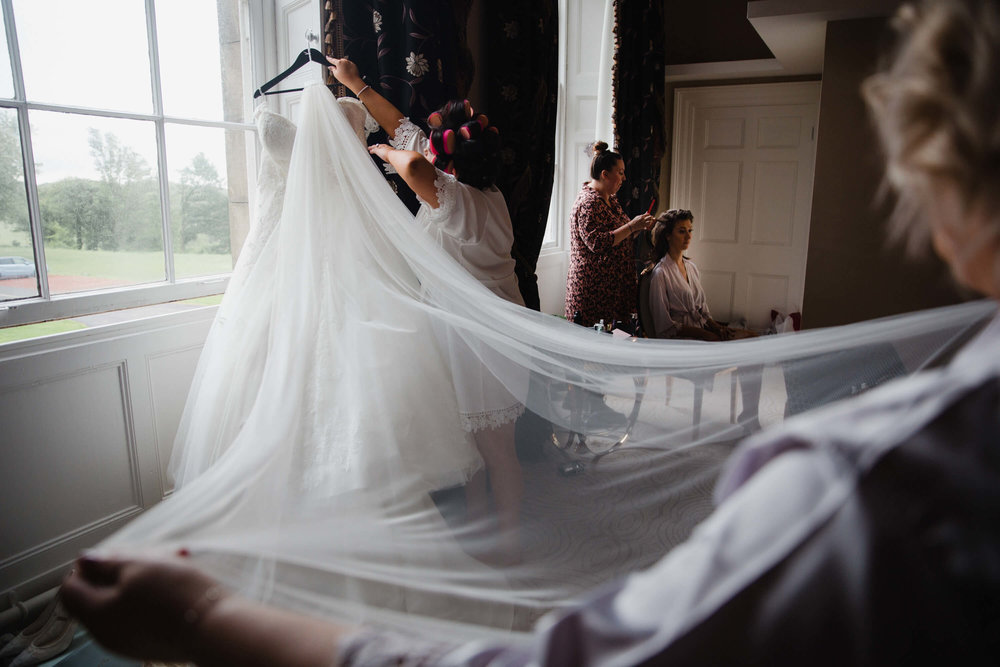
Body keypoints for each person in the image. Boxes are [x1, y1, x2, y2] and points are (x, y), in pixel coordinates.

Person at [60, 0, 1000, 664]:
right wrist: (363, 100)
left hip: (463, 332)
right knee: (494, 447)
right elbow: (413, 150)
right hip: (487, 321)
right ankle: (502, 530)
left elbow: (408, 154)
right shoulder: (495, 196)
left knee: (481, 449)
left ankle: (497, 537)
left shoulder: (444, 193)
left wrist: (359, 99)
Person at [327, 56, 528, 562]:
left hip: (487, 342)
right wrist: (356, 83)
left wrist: (384, 152)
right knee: (473, 449)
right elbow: (409, 131)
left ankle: (508, 540)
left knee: (496, 450)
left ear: (451, 164)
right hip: (464, 335)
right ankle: (481, 525)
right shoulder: (478, 189)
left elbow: (414, 161)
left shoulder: (466, 204)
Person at [648, 208, 762, 429]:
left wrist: (716, 327)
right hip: (679, 341)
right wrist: (704, 334)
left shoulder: (691, 267)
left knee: (754, 341)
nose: (689, 236)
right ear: (668, 235)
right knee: (733, 346)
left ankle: (749, 416)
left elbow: (702, 310)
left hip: (702, 331)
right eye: (682, 231)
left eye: (690, 231)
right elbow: (664, 326)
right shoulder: (660, 274)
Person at [564, 142, 654, 327]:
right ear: (605, 174)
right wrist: (631, 226)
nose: (624, 177)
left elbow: (621, 236)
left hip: (614, 287)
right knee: (593, 344)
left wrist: (638, 227)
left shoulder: (610, 199)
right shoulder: (589, 203)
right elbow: (597, 243)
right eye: (620, 172)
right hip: (595, 290)